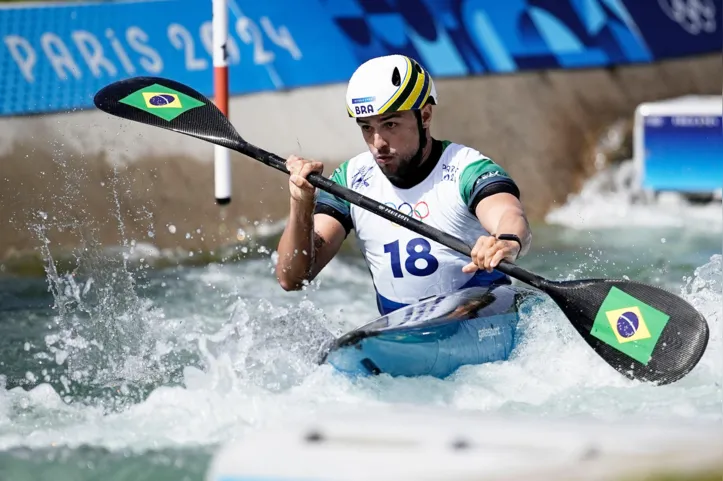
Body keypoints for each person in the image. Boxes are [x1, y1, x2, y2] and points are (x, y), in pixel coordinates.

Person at [275, 54, 532, 315]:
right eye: (366, 128)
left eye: (390, 124)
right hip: (404, 334)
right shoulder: (351, 178)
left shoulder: (467, 168)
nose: (378, 143)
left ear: (425, 115)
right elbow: (292, 278)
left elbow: (509, 214)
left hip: (479, 316)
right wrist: (301, 204)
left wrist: (505, 242)